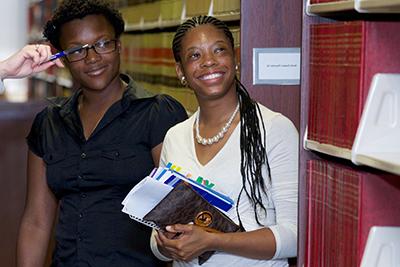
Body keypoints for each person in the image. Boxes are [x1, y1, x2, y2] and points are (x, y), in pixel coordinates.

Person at [16, 0, 187, 266]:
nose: (93, 58)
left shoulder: (157, 114)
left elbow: (178, 212)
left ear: (119, 45)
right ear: (62, 58)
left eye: (103, 43)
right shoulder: (48, 123)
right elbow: (37, 220)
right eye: (77, 50)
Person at [150, 15, 298, 267]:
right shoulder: (174, 137)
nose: (209, 62)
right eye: (195, 56)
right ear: (180, 71)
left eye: (219, 50)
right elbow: (157, 239)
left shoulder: (273, 128)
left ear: (235, 59)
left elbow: (294, 237)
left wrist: (213, 240)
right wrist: (164, 244)